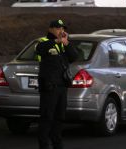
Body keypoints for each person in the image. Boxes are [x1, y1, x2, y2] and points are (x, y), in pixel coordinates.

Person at [36, 19, 78, 149]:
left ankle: (57, 145)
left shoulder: (62, 45)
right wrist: (56, 41)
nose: (61, 31)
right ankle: (44, 146)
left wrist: (66, 43)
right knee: (47, 118)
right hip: (49, 87)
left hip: (61, 87)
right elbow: (39, 50)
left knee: (59, 118)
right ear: (51, 29)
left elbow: (74, 57)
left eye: (63, 29)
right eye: (58, 28)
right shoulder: (43, 42)